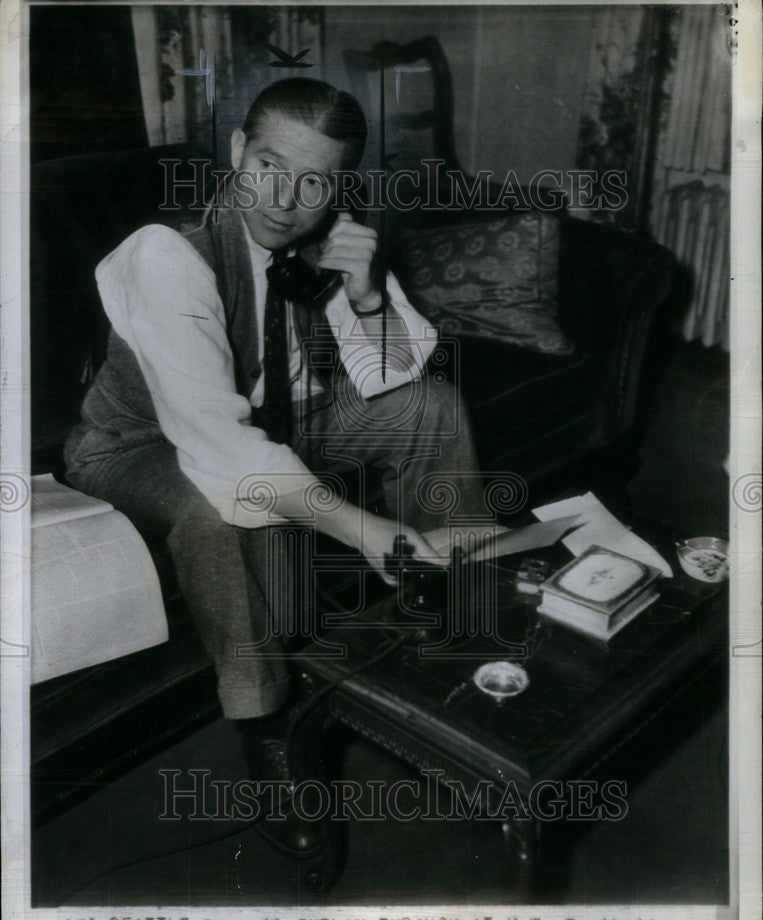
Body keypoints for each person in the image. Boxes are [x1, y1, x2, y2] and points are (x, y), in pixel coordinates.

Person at [64, 78, 484, 856]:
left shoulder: (328, 238)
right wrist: (362, 527)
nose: (287, 200)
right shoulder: (167, 255)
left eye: (316, 180)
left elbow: (393, 378)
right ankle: (266, 728)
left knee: (431, 405)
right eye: (268, 165)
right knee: (218, 508)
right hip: (140, 443)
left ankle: (456, 605)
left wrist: (362, 296)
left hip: (275, 421)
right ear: (235, 153)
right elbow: (221, 450)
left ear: (338, 185)